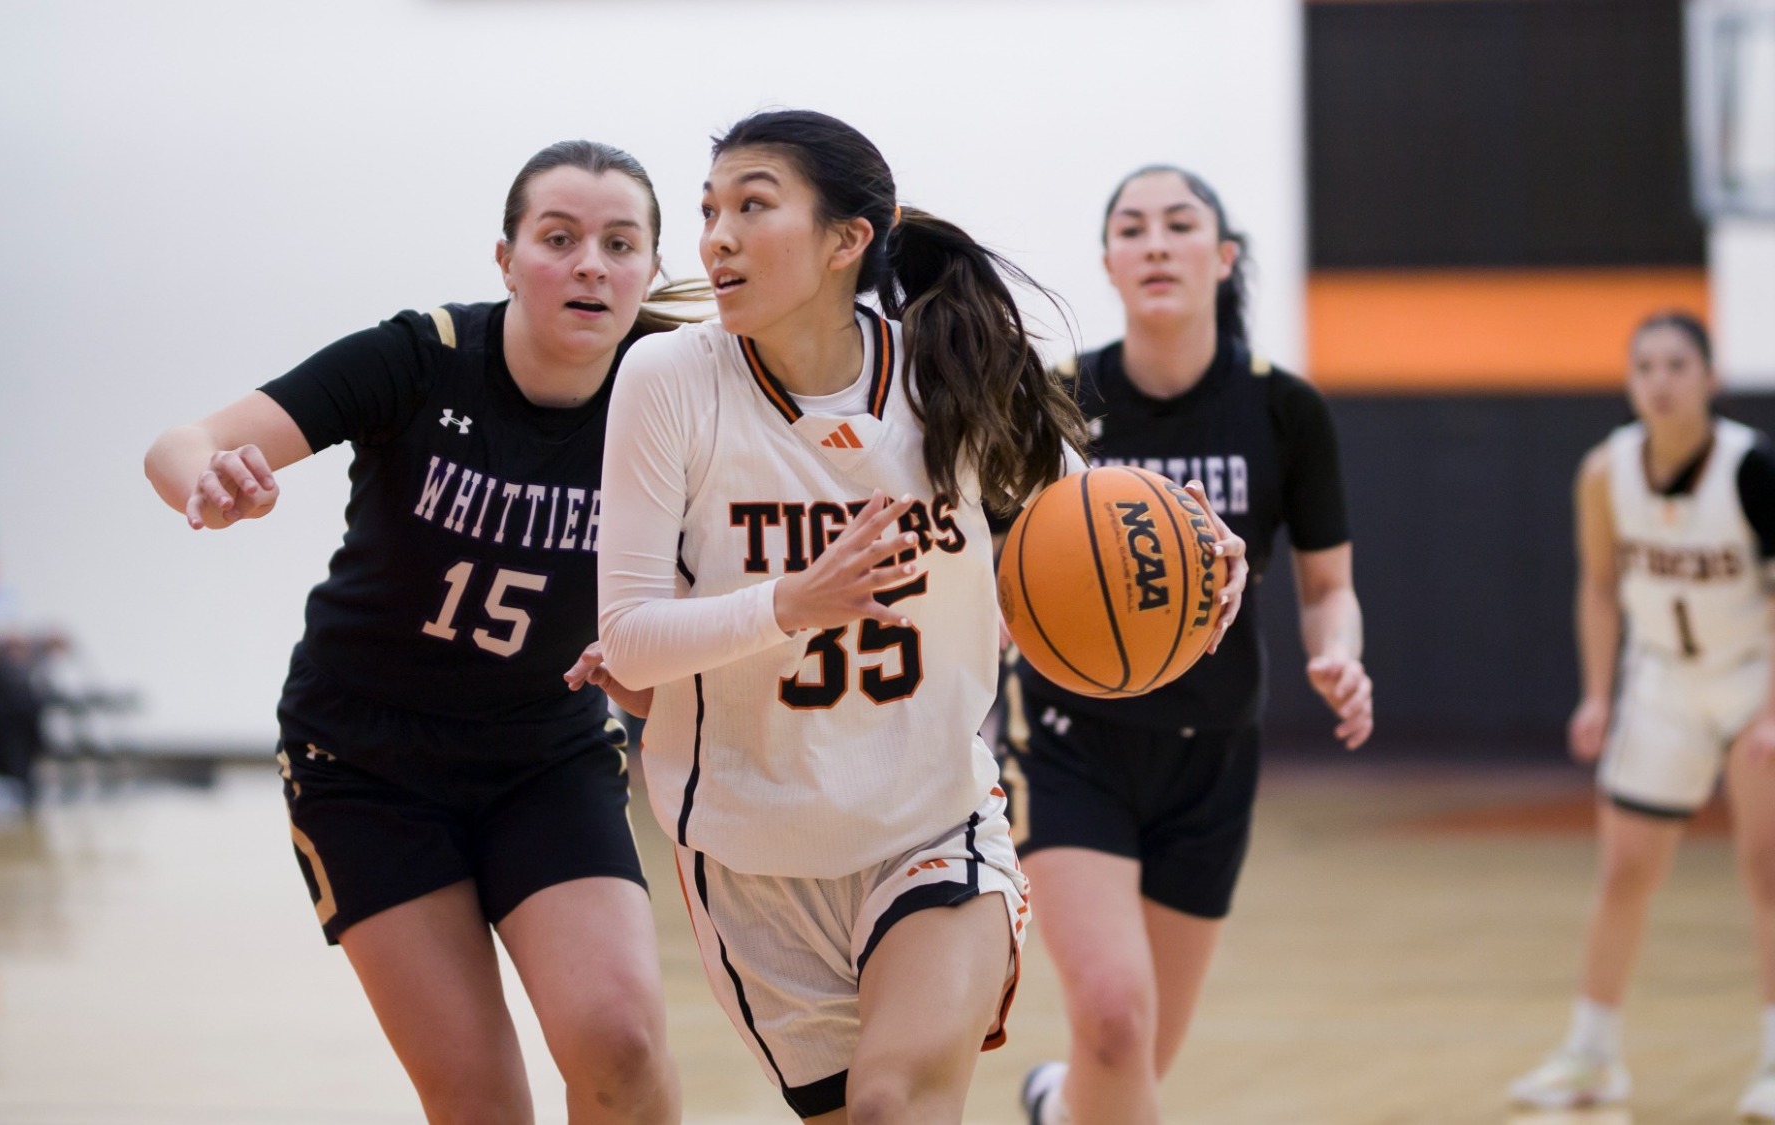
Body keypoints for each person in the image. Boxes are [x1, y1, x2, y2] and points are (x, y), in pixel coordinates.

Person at [577, 111, 1247, 1124]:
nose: (716, 237)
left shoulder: (952, 372)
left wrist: (1199, 557)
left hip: (932, 822)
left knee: (893, 1104)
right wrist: (791, 603)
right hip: (749, 858)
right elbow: (627, 637)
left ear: (847, 239)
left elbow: (1093, 525)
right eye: (709, 211)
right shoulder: (669, 379)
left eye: (752, 206)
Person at [142, 140, 692, 1125]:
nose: (589, 266)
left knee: (624, 1044)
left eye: (619, 244)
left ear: (649, 270)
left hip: (543, 753)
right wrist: (209, 482)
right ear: (506, 258)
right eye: (558, 238)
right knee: (478, 1098)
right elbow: (178, 445)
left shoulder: (669, 400)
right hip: (366, 763)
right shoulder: (420, 356)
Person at [1013, 165, 1368, 1125]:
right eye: (1132, 228)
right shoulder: (1053, 398)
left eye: (1179, 224)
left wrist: (1340, 653)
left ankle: (1054, 1106)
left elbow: (1328, 589)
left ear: (1224, 257)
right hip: (1068, 740)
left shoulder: (1285, 408)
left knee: (1133, 1058)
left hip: (1213, 750)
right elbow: (995, 571)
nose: (1157, 243)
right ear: (1109, 263)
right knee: (1115, 1020)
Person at [1508, 312, 1775, 1117]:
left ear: (1709, 378)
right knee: (1625, 868)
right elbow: (1599, 584)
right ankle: (1591, 1055)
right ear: (1630, 381)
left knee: (1766, 864)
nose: (1661, 380)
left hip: (1751, 676)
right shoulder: (1605, 470)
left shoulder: (1752, 466)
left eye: (1677, 364)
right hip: (1661, 678)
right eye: (1646, 366)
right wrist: (1596, 692)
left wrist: (1772, 709)